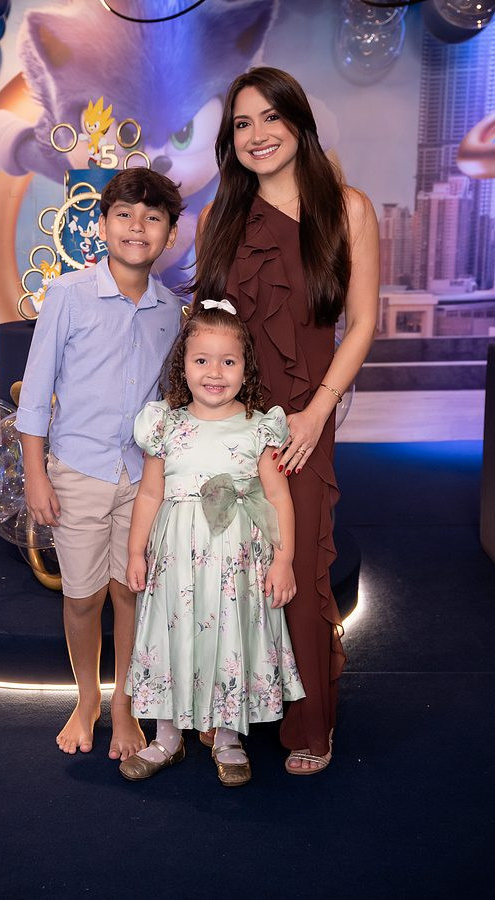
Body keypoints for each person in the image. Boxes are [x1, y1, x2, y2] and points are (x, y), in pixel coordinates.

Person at [193, 67, 379, 773]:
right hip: (225, 423)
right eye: (242, 124)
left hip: (303, 422)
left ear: (298, 122)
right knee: (227, 570)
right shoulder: (217, 219)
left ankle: (310, 723)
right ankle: (232, 712)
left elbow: (363, 323)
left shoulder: (348, 209)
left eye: (271, 117)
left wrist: (316, 413)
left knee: (295, 568)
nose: (258, 134)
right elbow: (207, 330)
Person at [15, 168, 185, 761]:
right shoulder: (68, 294)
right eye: (124, 214)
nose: (137, 227)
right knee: (83, 596)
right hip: (78, 471)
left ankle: (124, 704)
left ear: (169, 233)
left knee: (130, 592)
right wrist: (36, 475)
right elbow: (35, 392)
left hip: (143, 480)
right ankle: (87, 697)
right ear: (103, 223)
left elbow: (169, 398)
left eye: (153, 217)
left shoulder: (171, 310)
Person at [119, 302, 305, 787]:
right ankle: (167, 737)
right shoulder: (165, 425)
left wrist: (284, 559)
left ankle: (227, 738)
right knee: (171, 635)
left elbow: (279, 497)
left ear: (246, 367)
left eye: (228, 361)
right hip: (176, 560)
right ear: (183, 364)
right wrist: (136, 552)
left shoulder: (259, 427)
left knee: (229, 636)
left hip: (235, 563)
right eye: (201, 360)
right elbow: (150, 494)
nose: (215, 373)